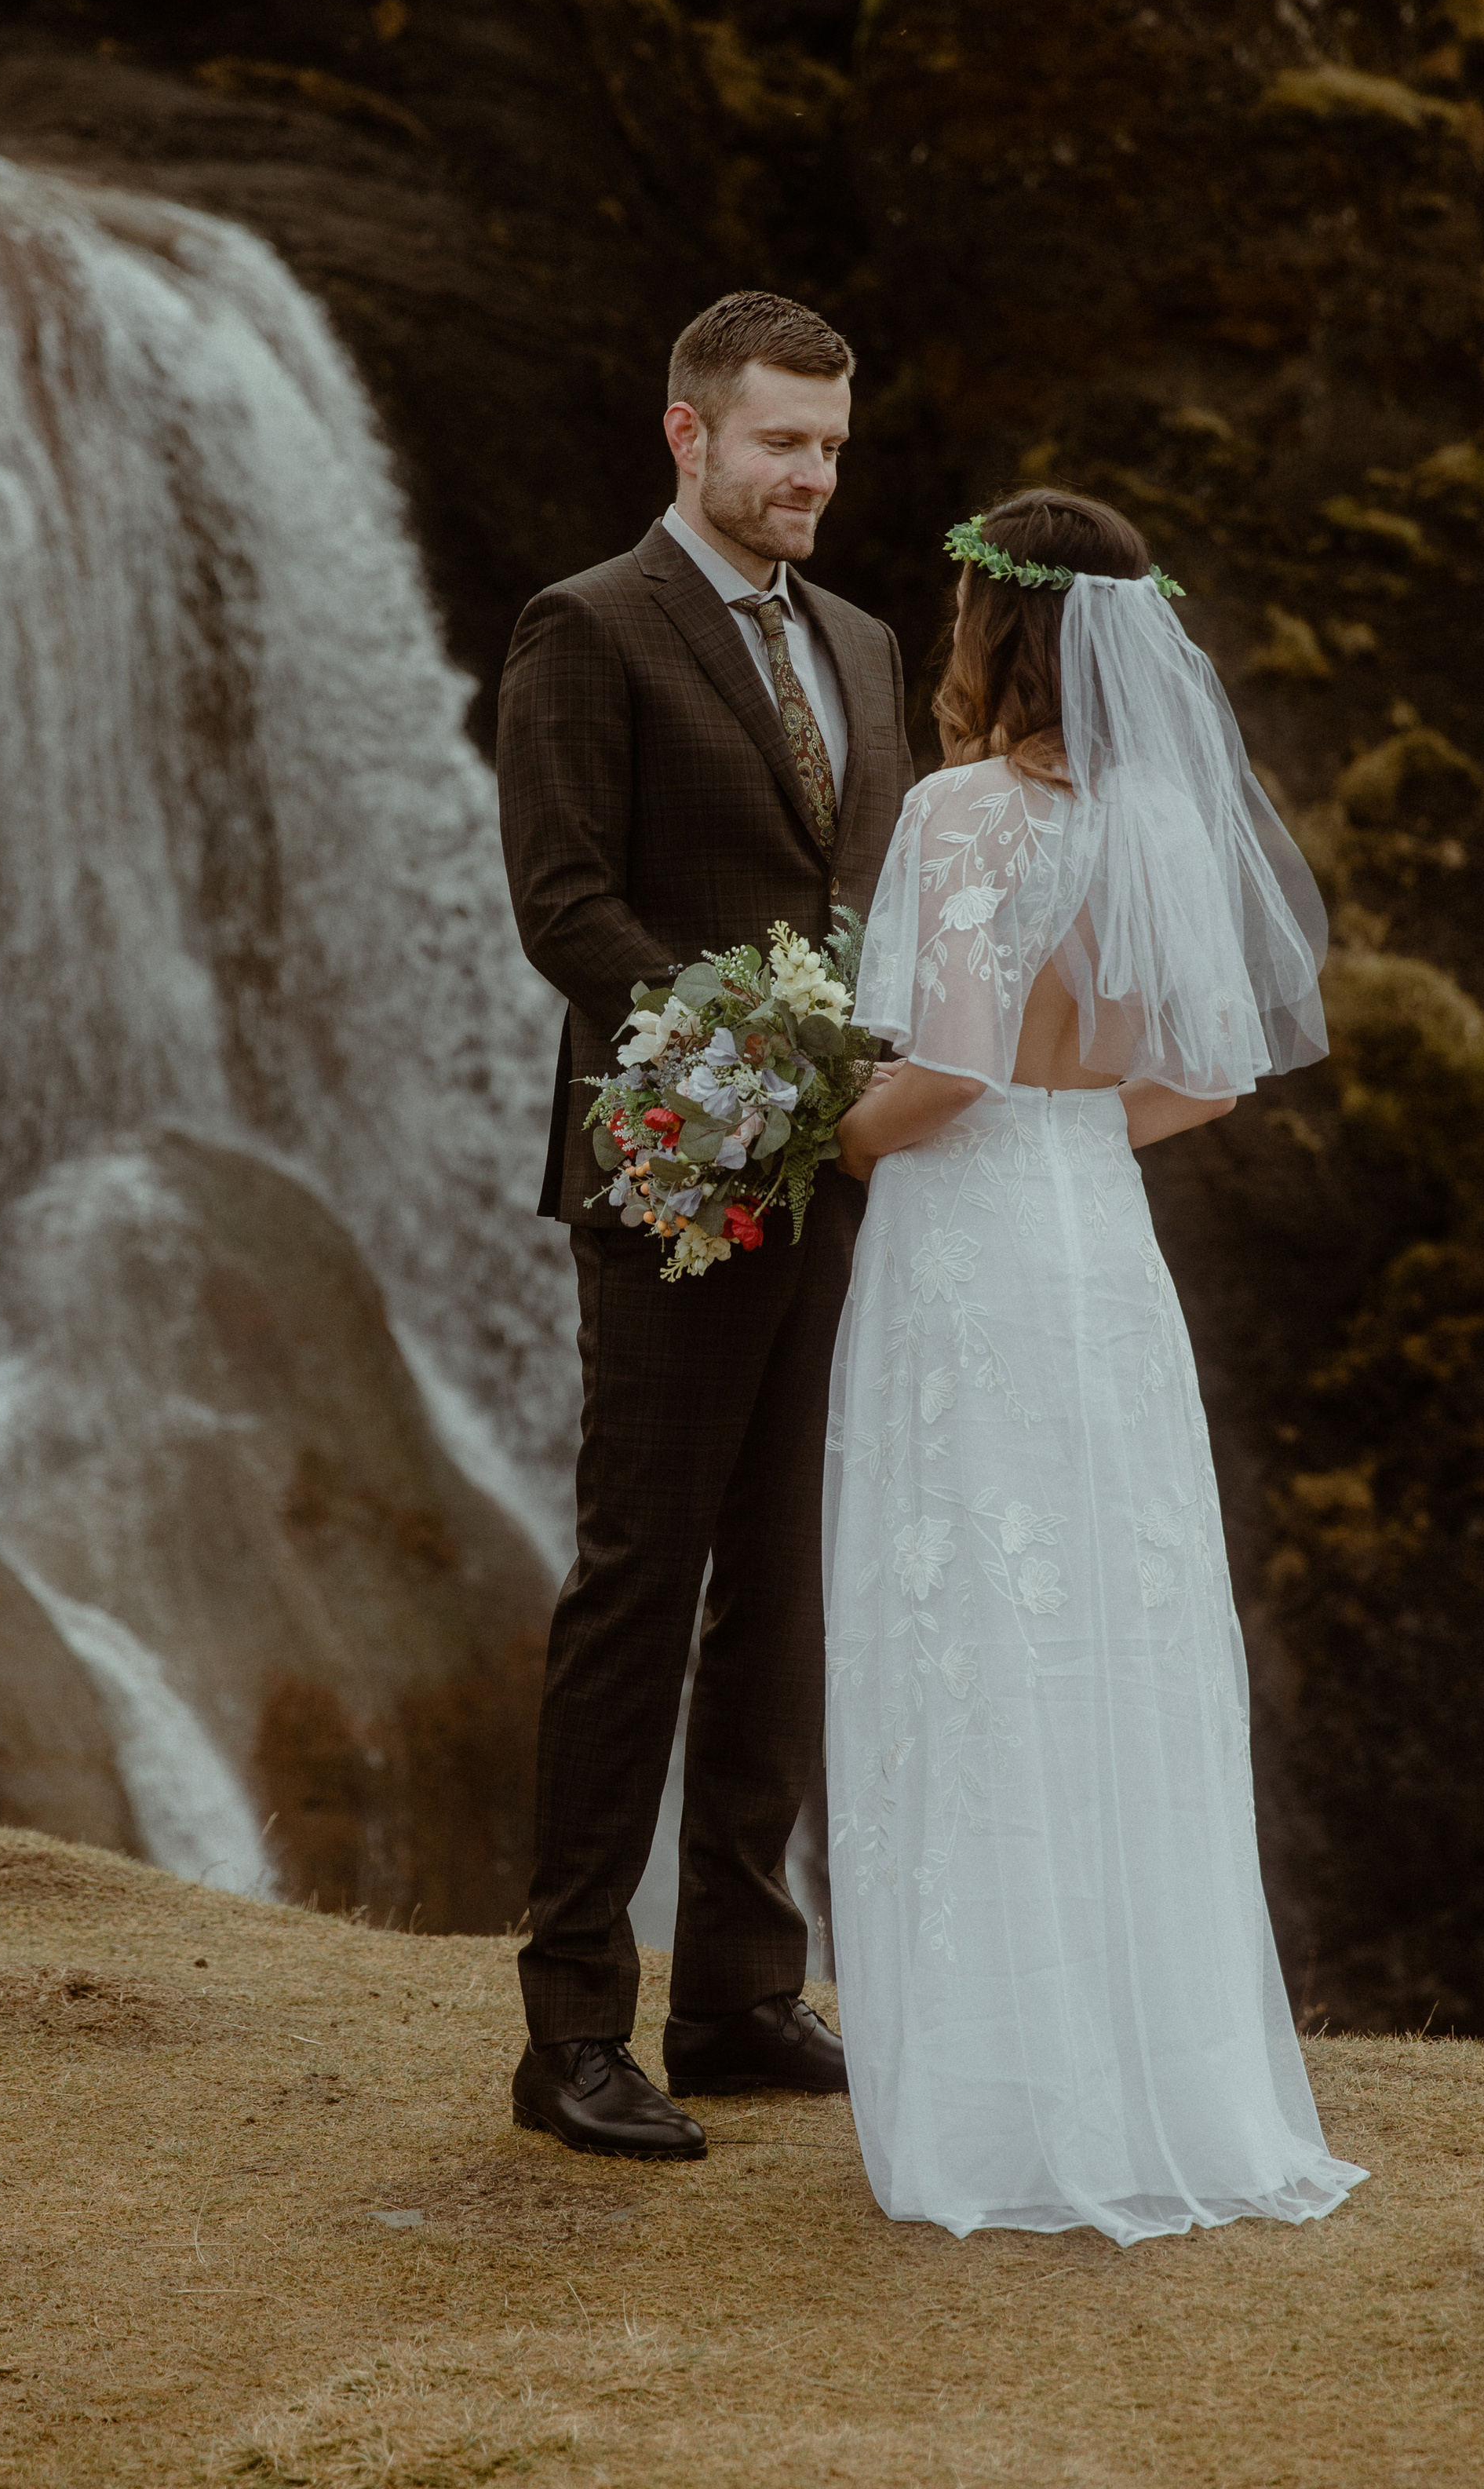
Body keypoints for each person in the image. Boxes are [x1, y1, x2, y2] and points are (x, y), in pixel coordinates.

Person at [825, 485, 1367, 2244]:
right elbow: (1204, 1080)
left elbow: (946, 1074)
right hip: (1096, 1240)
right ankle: (1151, 2079)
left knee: (971, 1626)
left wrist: (821, 1138)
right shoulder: (1161, 821)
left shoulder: (961, 813)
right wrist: (1066, 1145)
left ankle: (998, 2102)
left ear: (1000, 626)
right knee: (1109, 1631)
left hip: (966, 1252)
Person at [496, 291, 914, 2159]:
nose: (809, 476)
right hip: (671, 1175)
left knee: (785, 1589)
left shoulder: (864, 643)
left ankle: (739, 1991)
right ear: (688, 435)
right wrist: (743, 1064)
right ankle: (572, 2028)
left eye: (828, 447)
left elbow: (867, 899)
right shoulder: (586, 625)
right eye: (777, 444)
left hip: (846, 1183)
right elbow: (563, 904)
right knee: (636, 1589)